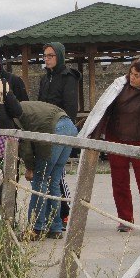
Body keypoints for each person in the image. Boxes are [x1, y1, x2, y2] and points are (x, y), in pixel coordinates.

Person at [78, 56, 140, 232]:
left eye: (137, 75)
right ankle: (125, 219)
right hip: (117, 138)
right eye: (131, 73)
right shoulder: (119, 86)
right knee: (119, 181)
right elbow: (104, 109)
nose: (132, 77)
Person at [16, 101, 77, 240]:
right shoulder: (25, 106)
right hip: (69, 127)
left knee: (40, 180)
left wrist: (30, 167)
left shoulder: (14, 114)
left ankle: (36, 229)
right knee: (54, 182)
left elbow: (25, 144)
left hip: (55, 129)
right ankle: (55, 228)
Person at [38, 42, 81, 227]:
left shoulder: (68, 77)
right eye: (45, 56)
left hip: (60, 128)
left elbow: (70, 107)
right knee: (51, 176)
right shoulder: (45, 78)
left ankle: (63, 213)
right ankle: (52, 216)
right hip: (46, 129)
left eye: (50, 56)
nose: (47, 59)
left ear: (59, 56)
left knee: (57, 176)